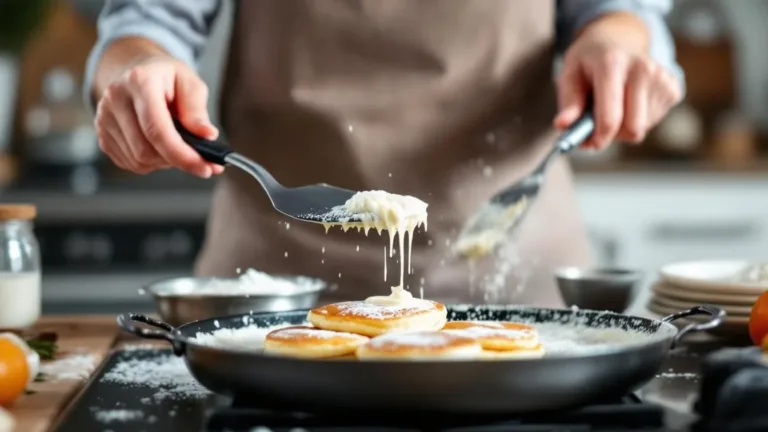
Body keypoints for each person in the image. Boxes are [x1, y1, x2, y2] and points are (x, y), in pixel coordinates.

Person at [85, 0, 683, 307]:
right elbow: (146, 25)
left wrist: (618, 40)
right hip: (271, 287)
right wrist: (139, 68)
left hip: (515, 282)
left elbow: (622, 13)